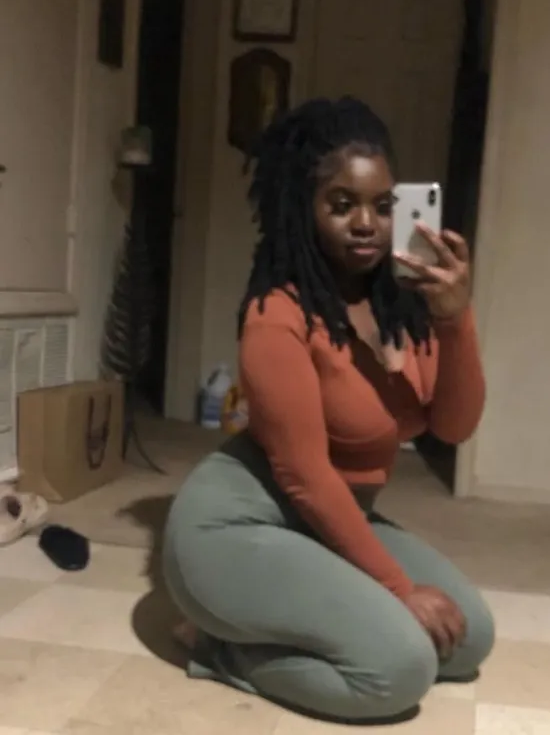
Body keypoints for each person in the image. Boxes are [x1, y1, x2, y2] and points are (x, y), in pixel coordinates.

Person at [162, 97, 494, 723]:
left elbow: (453, 427)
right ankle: (219, 644)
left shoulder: (404, 305)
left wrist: (456, 320)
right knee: (397, 671)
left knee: (467, 638)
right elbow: (305, 476)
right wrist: (399, 590)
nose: (366, 223)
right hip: (237, 528)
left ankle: (306, 621)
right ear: (303, 208)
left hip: (330, 521)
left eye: (382, 205)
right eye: (341, 204)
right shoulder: (277, 314)